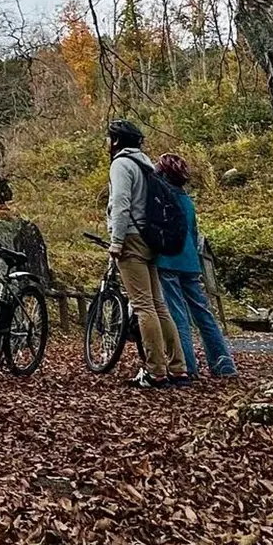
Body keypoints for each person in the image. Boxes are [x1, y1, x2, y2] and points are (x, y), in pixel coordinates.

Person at [105, 120, 189, 389]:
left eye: (109, 138)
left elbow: (120, 204)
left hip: (131, 238)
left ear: (116, 140)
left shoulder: (121, 164)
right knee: (158, 305)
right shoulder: (146, 165)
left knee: (142, 306)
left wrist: (116, 241)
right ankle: (178, 367)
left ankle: (155, 371)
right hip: (151, 238)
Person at [153, 153, 239, 378]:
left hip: (167, 260)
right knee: (203, 313)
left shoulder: (162, 199)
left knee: (177, 314)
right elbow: (193, 233)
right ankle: (223, 362)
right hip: (190, 262)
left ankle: (187, 366)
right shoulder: (187, 201)